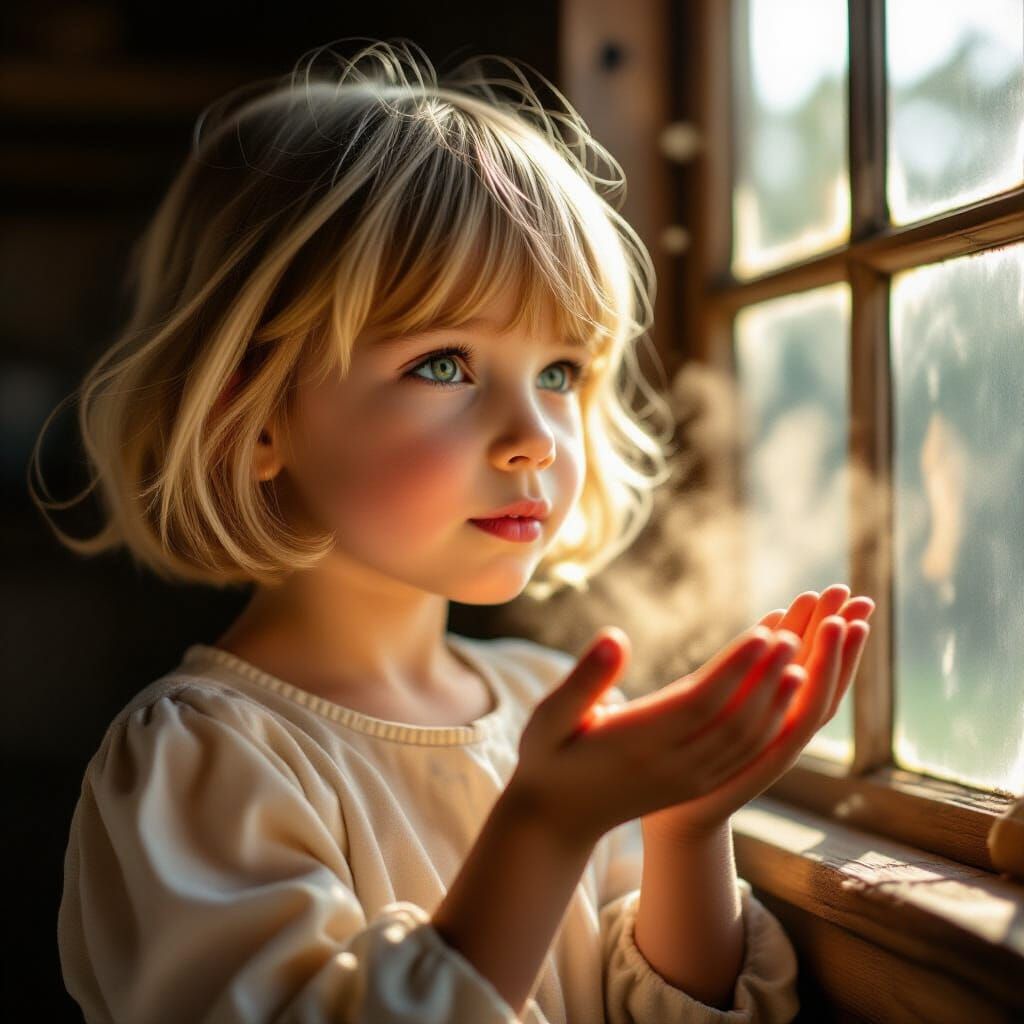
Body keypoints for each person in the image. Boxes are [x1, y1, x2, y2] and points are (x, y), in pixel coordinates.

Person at [37, 37, 873, 1023]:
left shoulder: (543, 708)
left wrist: (685, 828)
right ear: (251, 419)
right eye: (445, 363)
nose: (534, 438)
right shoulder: (200, 763)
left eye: (560, 371)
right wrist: (545, 824)